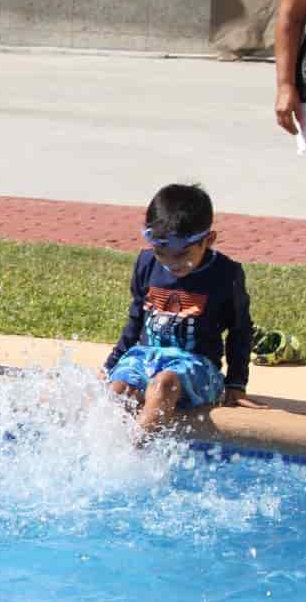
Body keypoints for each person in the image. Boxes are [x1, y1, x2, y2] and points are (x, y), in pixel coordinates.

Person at [103, 184, 259, 436]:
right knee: (117, 389)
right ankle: (108, 457)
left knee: (164, 384)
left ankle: (135, 455)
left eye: (182, 254)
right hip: (145, 356)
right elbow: (136, 318)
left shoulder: (225, 274)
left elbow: (240, 330)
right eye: (161, 252)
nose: (171, 263)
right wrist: (110, 365)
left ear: (208, 240)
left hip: (197, 365)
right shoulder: (146, 263)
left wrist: (236, 383)